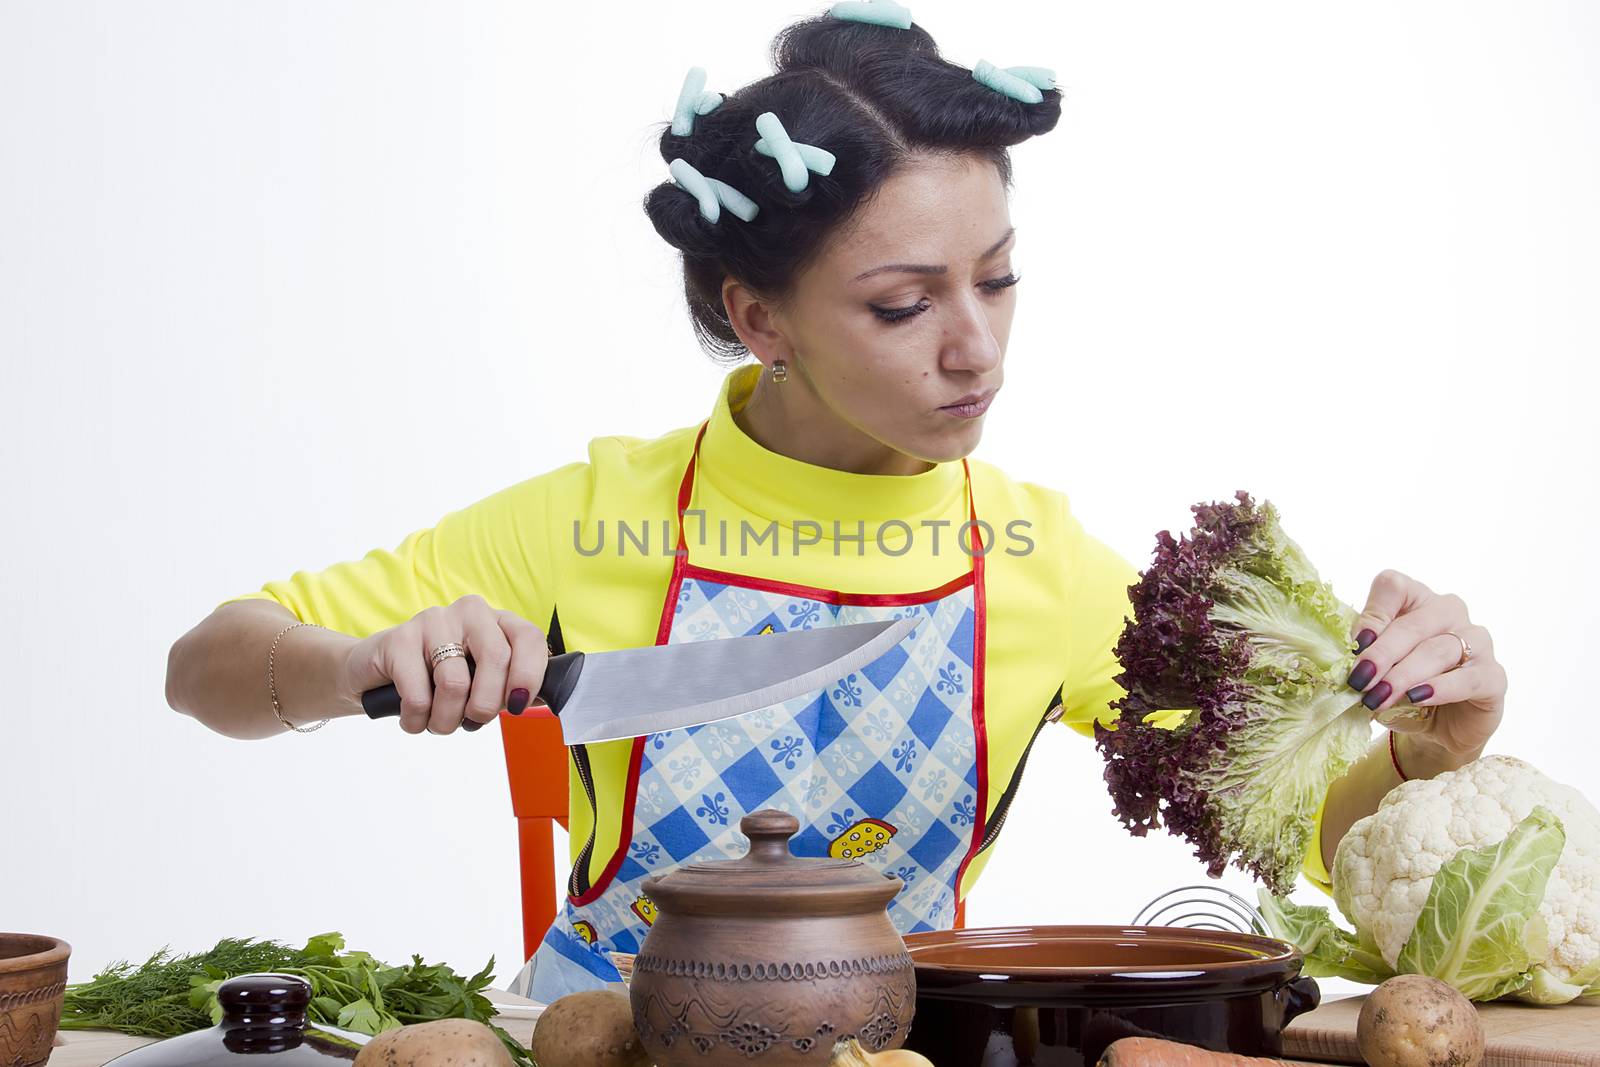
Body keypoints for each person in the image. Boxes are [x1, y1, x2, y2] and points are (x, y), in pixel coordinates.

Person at [164, 4, 1508, 1003]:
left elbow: (1308, 827)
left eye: (1000, 277)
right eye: (905, 304)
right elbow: (207, 671)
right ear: (760, 316)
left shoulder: (1037, 558)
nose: (974, 346)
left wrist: (1419, 751)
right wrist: (357, 665)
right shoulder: (595, 516)